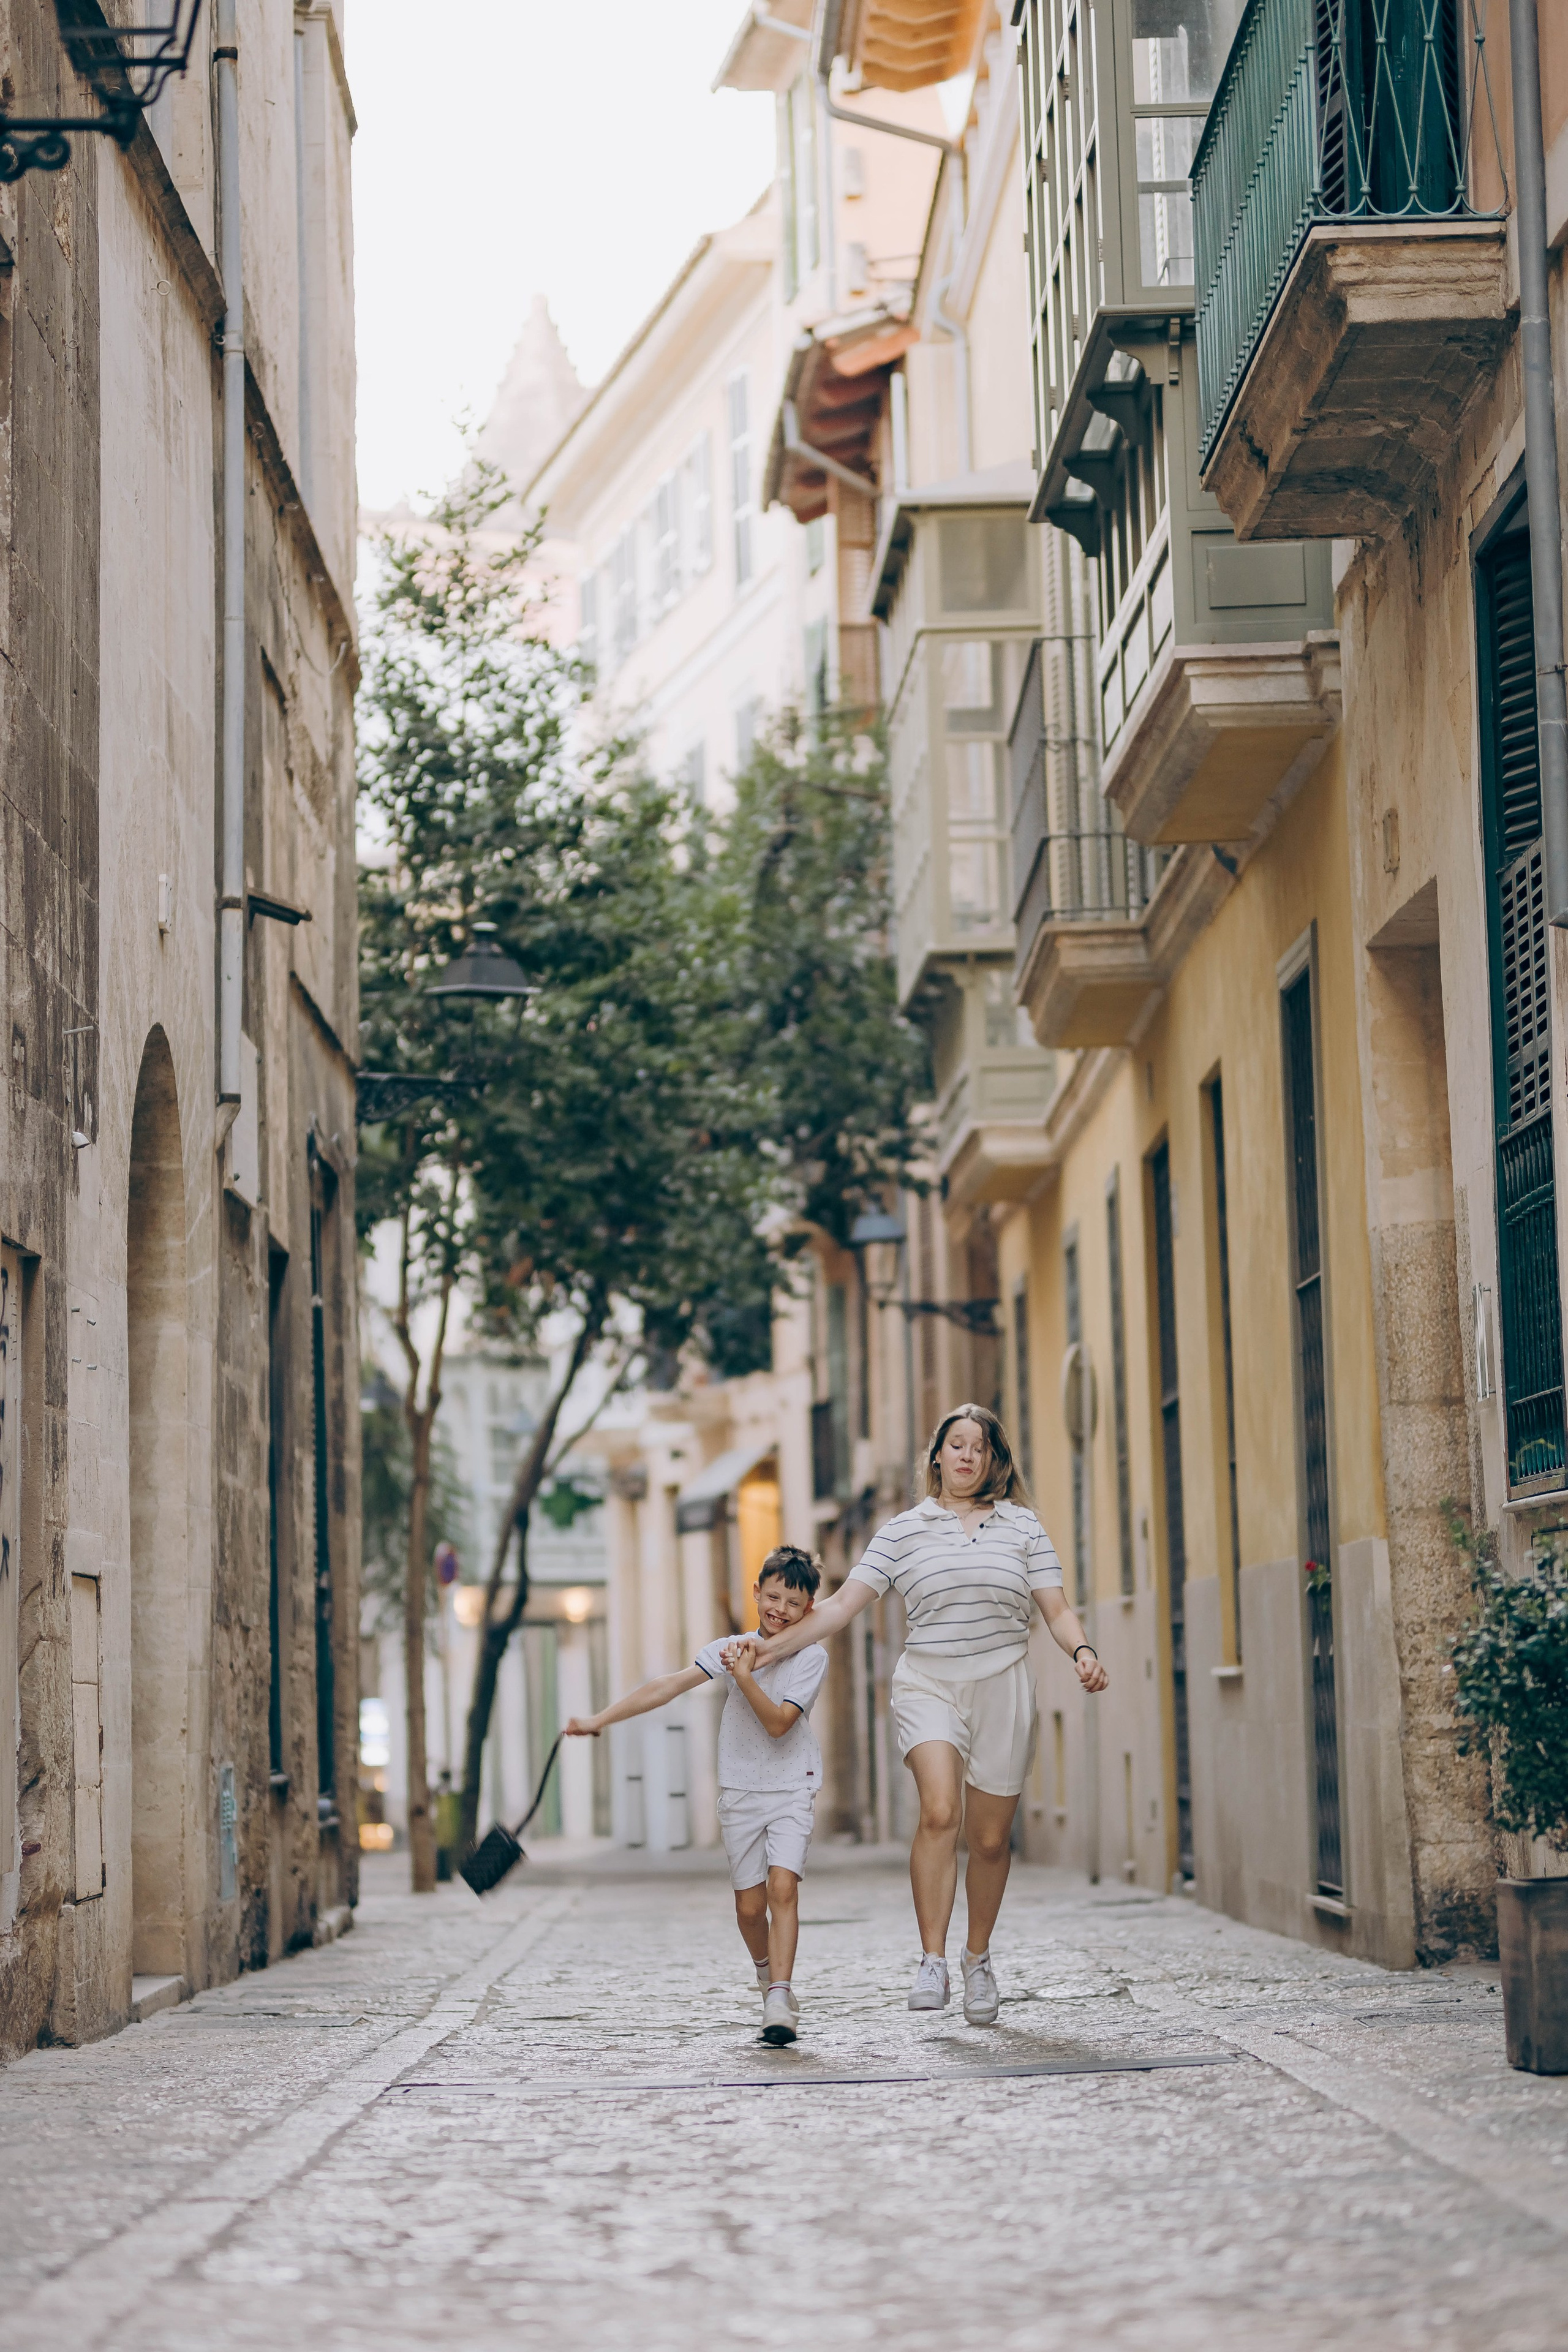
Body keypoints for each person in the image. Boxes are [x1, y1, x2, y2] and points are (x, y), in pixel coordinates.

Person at [749, 1403, 1108, 2026]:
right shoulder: (901, 1531)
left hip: (1002, 1684)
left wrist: (1081, 1651)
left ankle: (977, 1960)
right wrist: (768, 1647)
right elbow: (838, 1609)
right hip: (929, 1683)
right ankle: (932, 1960)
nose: (966, 1455)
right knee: (940, 1809)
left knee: (991, 1839)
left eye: (979, 1447)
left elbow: (1054, 1608)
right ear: (936, 1457)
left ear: (993, 1461)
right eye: (956, 1444)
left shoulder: (1024, 1528)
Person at [564, 1544, 829, 2046]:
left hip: (793, 1784)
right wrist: (600, 1720)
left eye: (794, 1603)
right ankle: (765, 1972)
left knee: (783, 1889)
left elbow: (778, 1725)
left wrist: (744, 1677)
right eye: (773, 1597)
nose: (780, 1610)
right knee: (750, 1911)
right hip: (740, 1789)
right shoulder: (730, 1647)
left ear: (809, 1608)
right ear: (757, 1593)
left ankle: (780, 1995)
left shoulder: (810, 1656)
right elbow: (668, 1686)